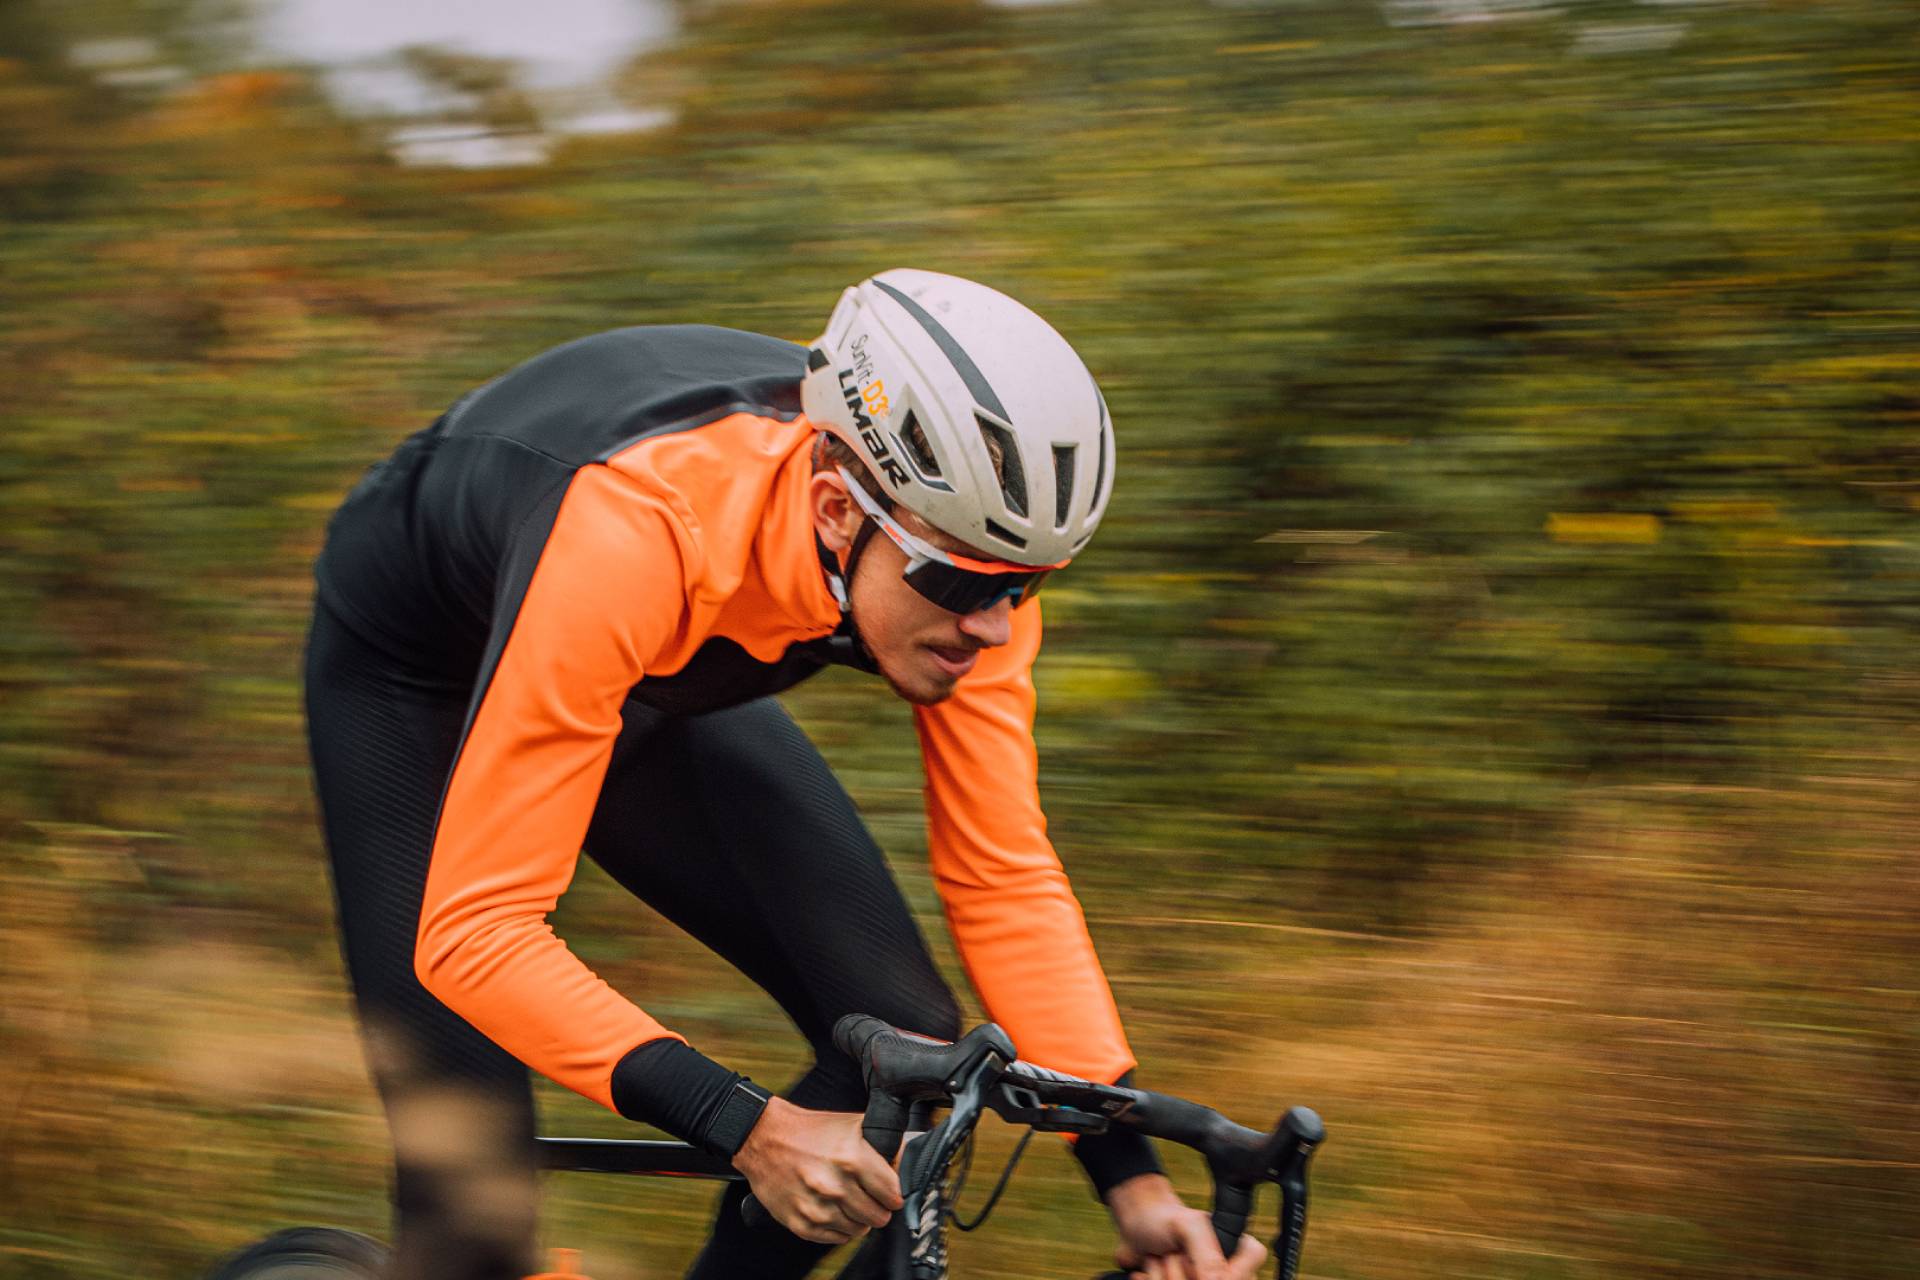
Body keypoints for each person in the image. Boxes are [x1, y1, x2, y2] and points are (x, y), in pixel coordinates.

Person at [303, 268, 1266, 1280]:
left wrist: (1133, 1180)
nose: (994, 623)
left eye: (1024, 584)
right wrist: (750, 1125)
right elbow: (476, 933)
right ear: (834, 510)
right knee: (474, 1203)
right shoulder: (641, 522)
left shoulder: (965, 575)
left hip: (641, 668)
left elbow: (1004, 879)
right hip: (415, 675)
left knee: (901, 1035)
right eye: (969, 580)